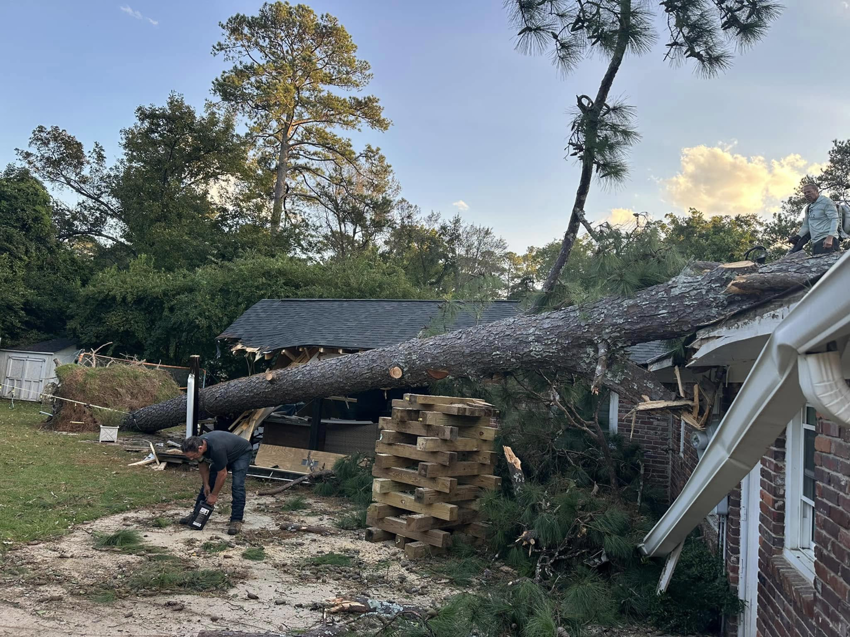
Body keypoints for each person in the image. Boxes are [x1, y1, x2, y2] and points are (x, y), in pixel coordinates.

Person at [180, 431, 253, 535]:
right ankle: (196, 514)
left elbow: (222, 474)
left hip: (241, 453)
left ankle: (236, 520)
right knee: (209, 483)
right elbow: (202, 465)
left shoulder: (216, 449)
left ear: (200, 448)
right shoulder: (197, 444)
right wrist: (206, 484)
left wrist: (214, 495)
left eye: (193, 456)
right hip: (225, 453)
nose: (191, 459)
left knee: (237, 485)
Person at [788, 182, 840, 255]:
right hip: (816, 242)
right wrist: (797, 237)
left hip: (828, 241)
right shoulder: (809, 208)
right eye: (805, 193)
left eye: (809, 192)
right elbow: (806, 226)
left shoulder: (826, 202)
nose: (807, 194)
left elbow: (835, 219)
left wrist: (830, 238)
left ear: (816, 191)